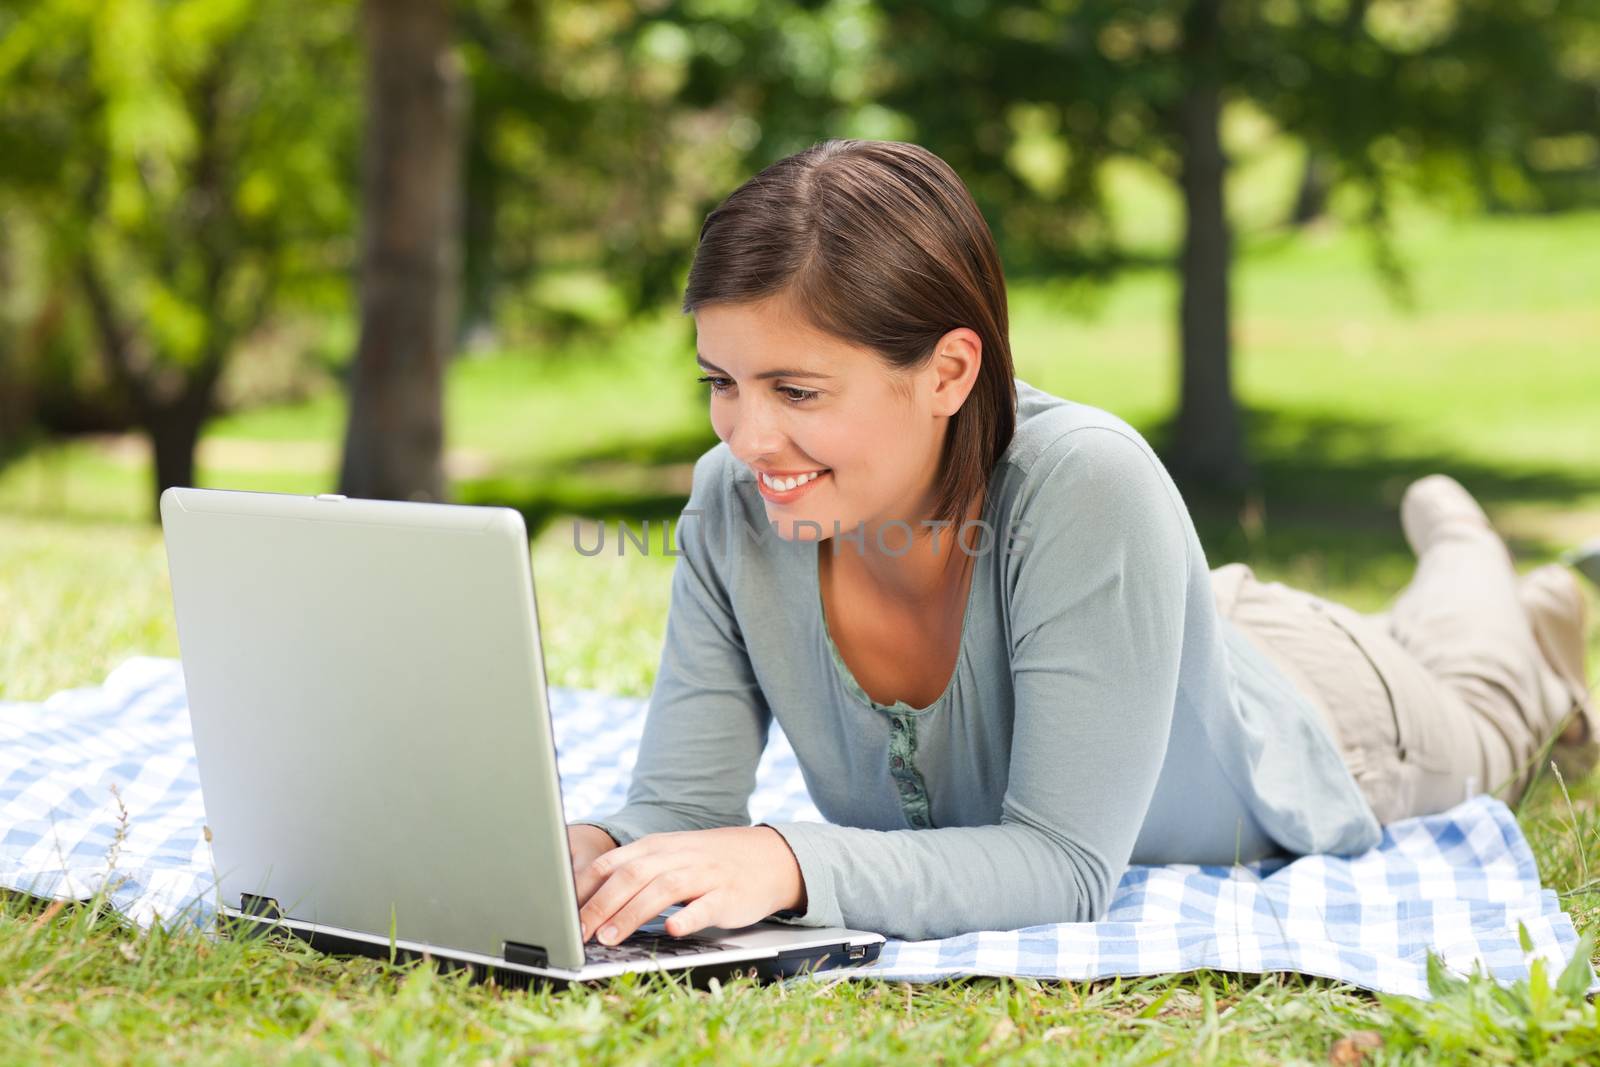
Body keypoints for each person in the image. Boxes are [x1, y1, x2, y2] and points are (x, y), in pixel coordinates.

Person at [563, 139, 1598, 948]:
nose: (746, 437)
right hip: (1149, 628)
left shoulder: (1084, 479)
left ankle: (1488, 563)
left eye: (795, 391)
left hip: (1329, 708)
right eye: (720, 382)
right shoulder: (730, 503)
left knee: (1493, 695)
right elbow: (680, 806)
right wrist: (593, 849)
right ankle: (1507, 591)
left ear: (948, 371)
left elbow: (1062, 863)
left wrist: (789, 859)